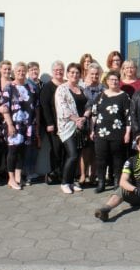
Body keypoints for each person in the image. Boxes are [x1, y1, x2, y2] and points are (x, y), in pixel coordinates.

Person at [1, 62, 40, 190]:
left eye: (23, 71)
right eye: (18, 71)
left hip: (28, 126)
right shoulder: (9, 87)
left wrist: (36, 125)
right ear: (14, 72)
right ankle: (11, 179)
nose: (21, 73)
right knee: (13, 151)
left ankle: (18, 177)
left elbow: (36, 107)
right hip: (14, 125)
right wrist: (10, 125)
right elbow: (5, 108)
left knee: (22, 152)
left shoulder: (31, 88)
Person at [92, 71, 131, 193]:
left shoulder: (124, 96)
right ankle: (101, 182)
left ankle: (117, 182)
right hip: (101, 133)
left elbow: (128, 117)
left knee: (118, 158)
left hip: (118, 133)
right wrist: (92, 130)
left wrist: (127, 133)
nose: (114, 82)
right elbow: (94, 114)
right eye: (111, 79)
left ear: (119, 81)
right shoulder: (100, 96)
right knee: (101, 158)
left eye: (116, 79)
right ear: (107, 81)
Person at [56, 63, 91, 194]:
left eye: (77, 73)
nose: (74, 75)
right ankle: (64, 182)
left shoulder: (82, 88)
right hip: (67, 127)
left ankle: (71, 182)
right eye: (72, 72)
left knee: (77, 156)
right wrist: (76, 119)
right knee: (72, 155)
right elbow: (62, 108)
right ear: (67, 74)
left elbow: (89, 105)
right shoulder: (61, 89)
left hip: (81, 127)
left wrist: (84, 118)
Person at [40, 61, 65, 185]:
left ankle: (63, 173)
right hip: (53, 125)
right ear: (52, 72)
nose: (59, 72)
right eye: (56, 70)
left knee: (66, 149)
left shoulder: (66, 85)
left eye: (61, 69)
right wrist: (49, 123)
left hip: (66, 124)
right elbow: (44, 106)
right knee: (56, 149)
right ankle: (54, 173)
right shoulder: (47, 87)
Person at [81, 62, 104, 185]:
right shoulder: (82, 88)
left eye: (96, 74)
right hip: (85, 122)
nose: (94, 76)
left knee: (96, 151)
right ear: (88, 74)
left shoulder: (104, 89)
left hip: (99, 123)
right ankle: (83, 175)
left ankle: (93, 176)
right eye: (92, 74)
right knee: (85, 151)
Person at [24, 61, 43, 185]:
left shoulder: (41, 84)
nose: (34, 72)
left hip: (39, 120)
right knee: (28, 148)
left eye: (36, 69)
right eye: (31, 70)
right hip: (29, 121)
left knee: (36, 146)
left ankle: (32, 171)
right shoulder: (26, 85)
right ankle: (28, 173)